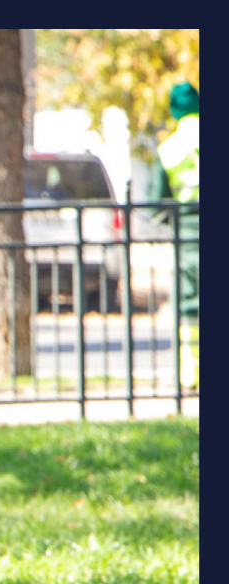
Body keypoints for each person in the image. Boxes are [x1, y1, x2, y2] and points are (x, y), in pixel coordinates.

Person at [148, 81, 199, 389]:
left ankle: (192, 372)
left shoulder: (169, 148)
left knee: (191, 304)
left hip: (188, 233)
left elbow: (155, 202)